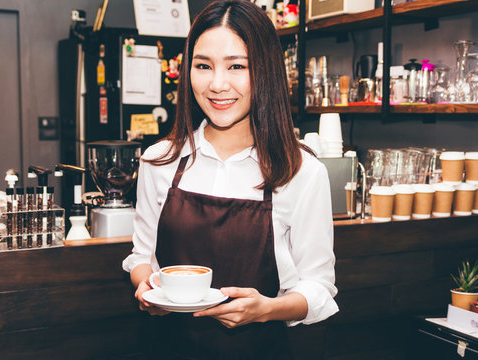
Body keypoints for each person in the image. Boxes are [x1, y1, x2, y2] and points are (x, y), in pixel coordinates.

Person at [122, 0, 338, 358]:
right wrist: (147, 287)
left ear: (266, 71)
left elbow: (317, 287)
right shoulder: (159, 160)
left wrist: (266, 308)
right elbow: (142, 256)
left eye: (237, 66)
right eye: (203, 66)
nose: (217, 84)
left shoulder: (302, 171)